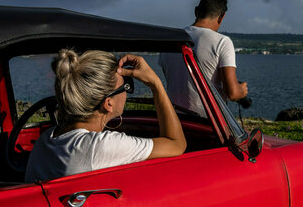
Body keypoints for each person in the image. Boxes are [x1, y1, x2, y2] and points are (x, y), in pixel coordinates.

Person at [25, 50, 186, 182]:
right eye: (126, 86)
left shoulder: (45, 140)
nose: (127, 92)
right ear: (108, 103)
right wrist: (155, 84)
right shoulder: (99, 147)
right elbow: (176, 144)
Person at [159, 0, 248, 116]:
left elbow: (176, 78)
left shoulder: (170, 40)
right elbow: (232, 93)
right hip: (207, 124)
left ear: (196, 11)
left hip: (174, 119)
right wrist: (241, 91)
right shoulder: (222, 42)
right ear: (221, 16)